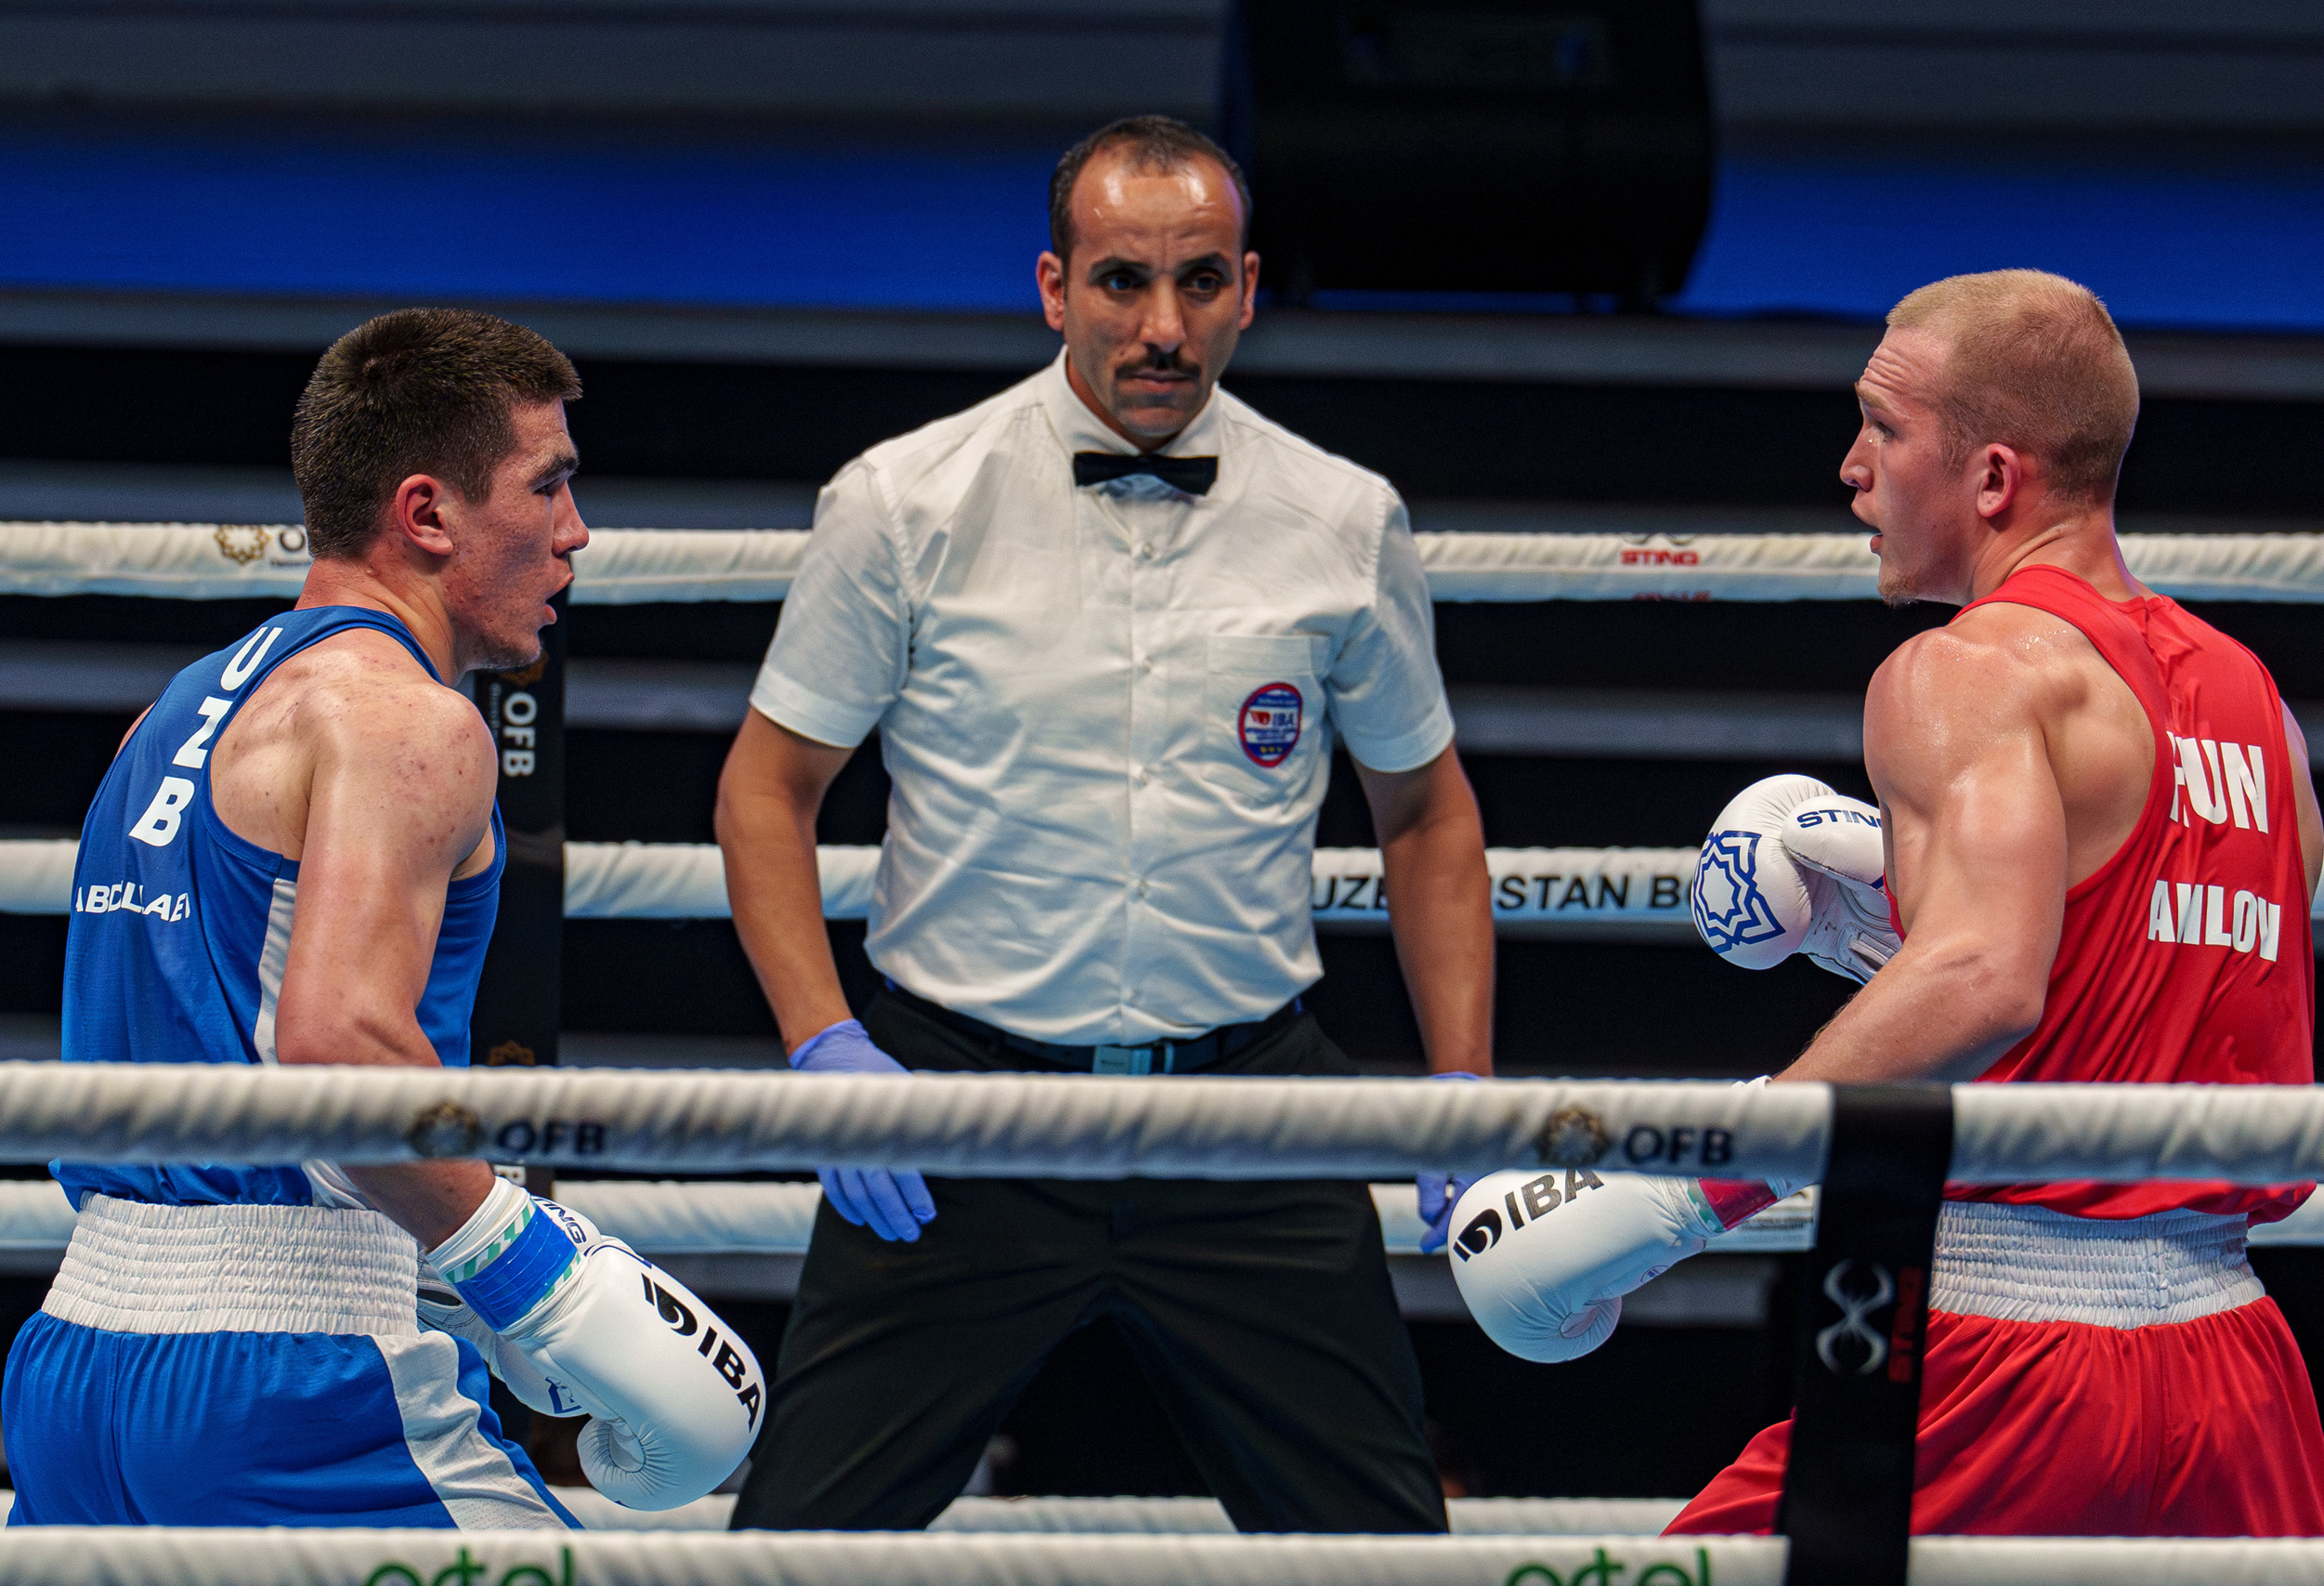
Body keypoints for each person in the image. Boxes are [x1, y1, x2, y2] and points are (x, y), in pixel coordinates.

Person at [1448, 269, 2324, 1538]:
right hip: (2236, 1374)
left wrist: (1702, 1174)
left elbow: (1986, 981)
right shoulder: (2255, 707)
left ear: (1992, 478)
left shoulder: (1960, 673)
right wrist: (1893, 928)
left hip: (2014, 1369)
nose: (1852, 468)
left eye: (1885, 427)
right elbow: (2176, 998)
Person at [714, 115, 1492, 1533]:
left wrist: (1461, 1084)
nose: (1162, 327)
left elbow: (1427, 813)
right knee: (795, 1550)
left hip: (1247, 1116)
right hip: (963, 1108)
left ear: (1248, 288)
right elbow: (768, 786)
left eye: (1199, 282)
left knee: (1386, 1553)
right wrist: (826, 1048)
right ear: (1054, 287)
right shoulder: (905, 501)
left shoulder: (1341, 517)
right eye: (1122, 281)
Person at [2, 308, 761, 1527]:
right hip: (291, 1377)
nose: (578, 532)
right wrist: (541, 1280)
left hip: (78, 1363)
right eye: (549, 484)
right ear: (426, 513)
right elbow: (336, 1051)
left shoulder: (173, 714)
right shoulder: (410, 724)